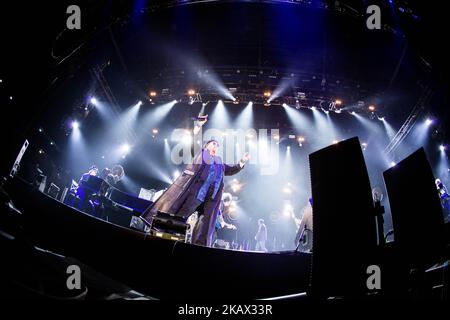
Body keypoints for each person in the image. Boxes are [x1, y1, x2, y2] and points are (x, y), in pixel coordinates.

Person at [141, 115, 250, 247]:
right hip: (197, 194)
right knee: (181, 216)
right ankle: (166, 238)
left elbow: (232, 170)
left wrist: (242, 162)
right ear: (207, 145)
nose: (216, 146)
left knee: (205, 224)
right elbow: (193, 144)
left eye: (217, 145)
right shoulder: (202, 154)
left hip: (211, 199)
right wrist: (198, 127)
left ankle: (199, 247)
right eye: (213, 143)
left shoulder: (219, 162)